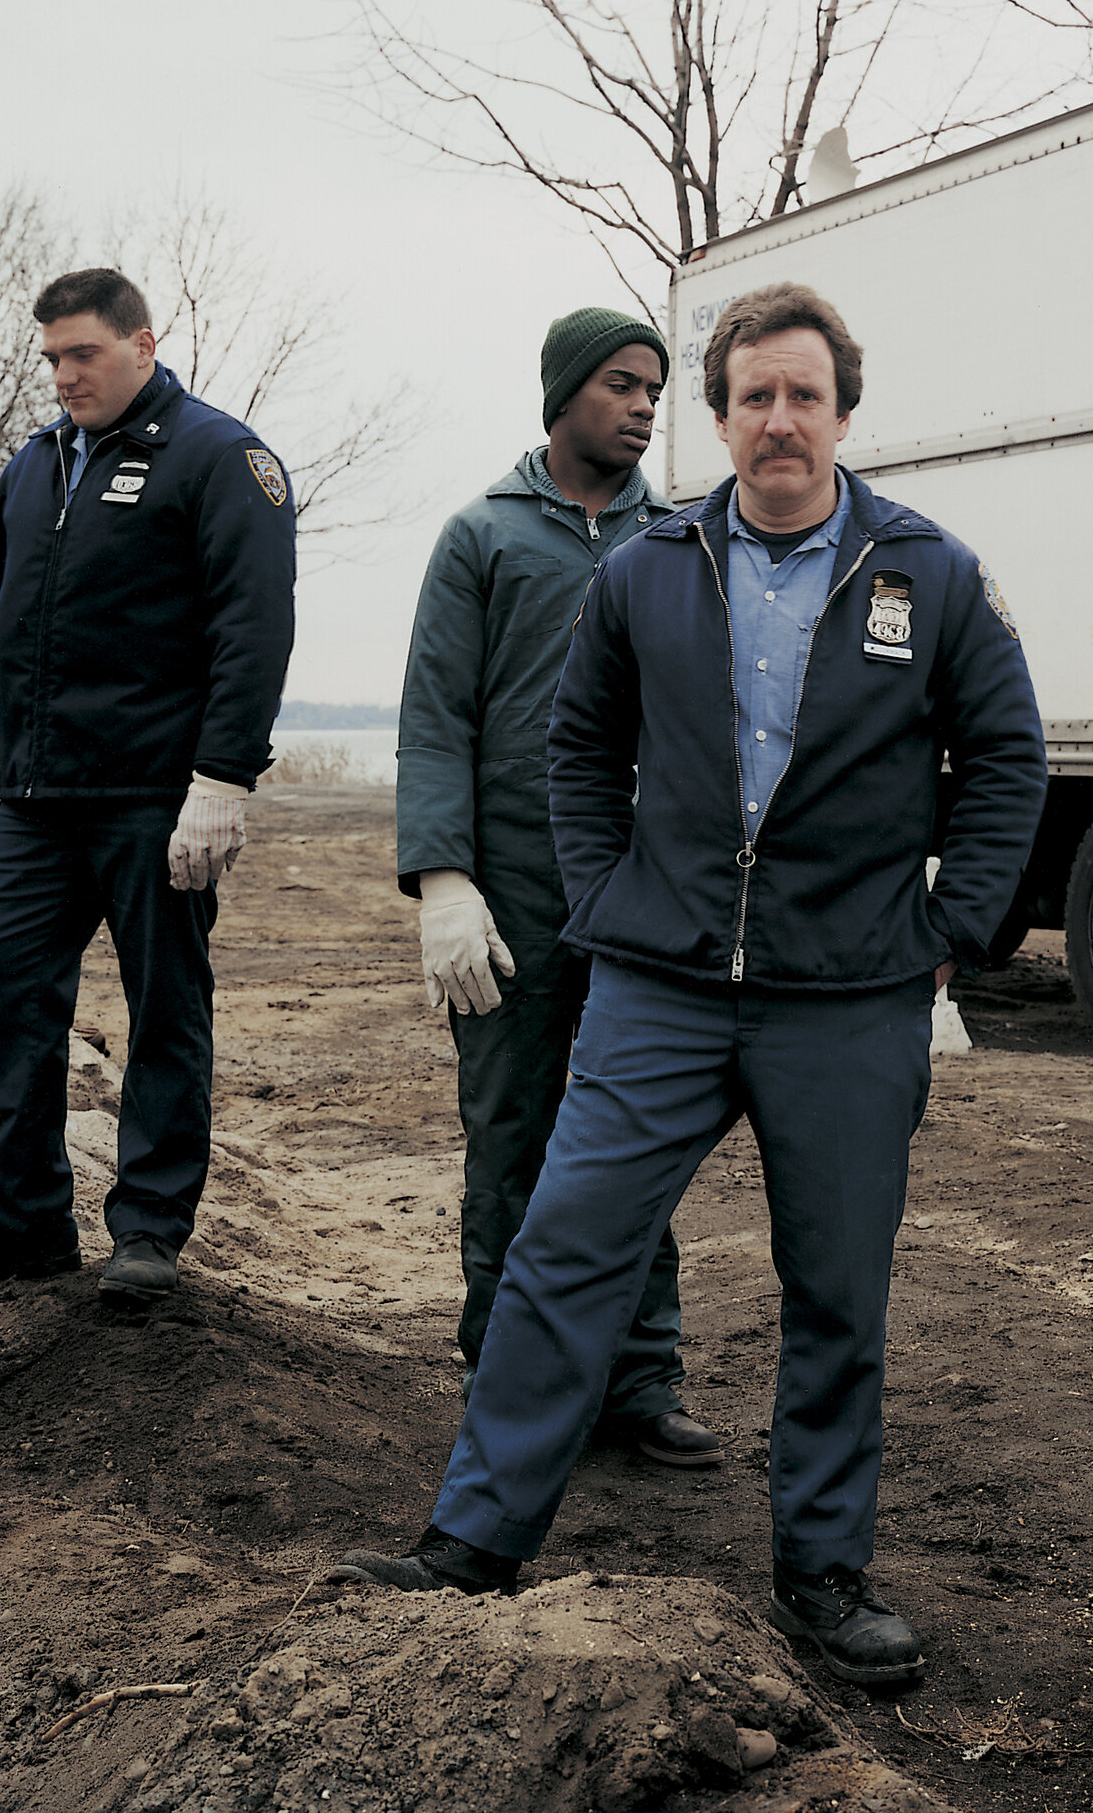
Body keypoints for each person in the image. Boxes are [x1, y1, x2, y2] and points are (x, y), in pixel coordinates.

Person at [337, 282, 1047, 1690]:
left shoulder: (929, 574)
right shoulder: (648, 571)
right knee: (564, 1251)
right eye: (752, 397)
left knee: (837, 1287)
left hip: (849, 995)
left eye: (805, 394)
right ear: (719, 419)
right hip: (658, 985)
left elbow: (1010, 761)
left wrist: (947, 927)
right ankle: (475, 1537)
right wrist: (604, 896)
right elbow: (577, 750)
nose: (778, 419)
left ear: (844, 411)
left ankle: (823, 1572)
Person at [0, 267, 296, 1308]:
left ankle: (150, 1230)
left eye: (85, 355)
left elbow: (252, 630)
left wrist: (222, 777)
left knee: (164, 1008)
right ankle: (22, 1219)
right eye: (54, 360)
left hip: (156, 799)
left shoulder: (217, 458)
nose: (66, 376)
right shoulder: (34, 468)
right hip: (35, 799)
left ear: (142, 345)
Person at [396, 307, 725, 1468]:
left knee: (635, 1138)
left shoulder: (684, 543)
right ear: (562, 396)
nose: (644, 407)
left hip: (639, 900)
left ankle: (637, 1378)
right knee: (513, 1137)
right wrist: (444, 881)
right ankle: (509, 1376)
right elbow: (437, 723)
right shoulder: (483, 540)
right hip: (513, 902)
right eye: (622, 386)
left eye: (655, 391)